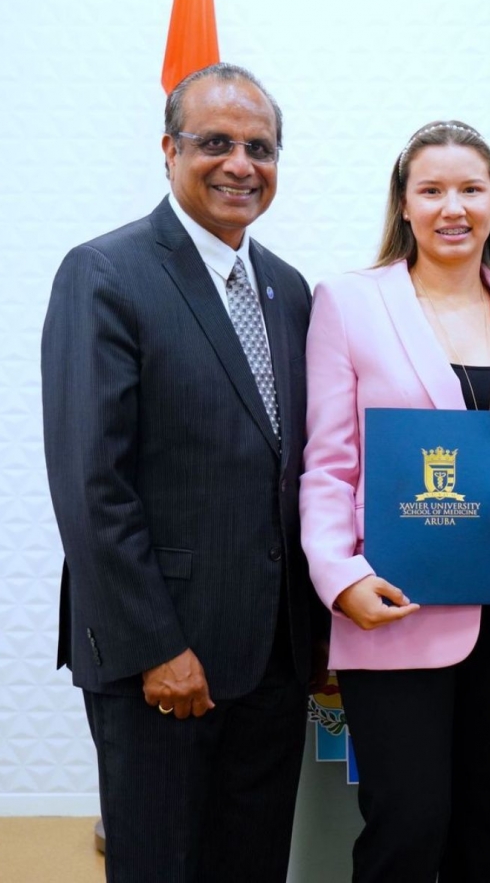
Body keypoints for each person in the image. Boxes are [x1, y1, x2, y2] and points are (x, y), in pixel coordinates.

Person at [41, 63, 325, 882]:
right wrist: (155, 647)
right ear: (169, 150)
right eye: (216, 143)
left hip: (272, 655)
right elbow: (92, 483)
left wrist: (317, 631)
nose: (241, 163)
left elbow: (296, 468)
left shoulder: (290, 290)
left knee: (253, 865)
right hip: (162, 658)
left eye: (260, 148)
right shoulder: (105, 273)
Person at [299, 120, 490, 882]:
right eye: (433, 189)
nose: (454, 206)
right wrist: (338, 575)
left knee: (483, 835)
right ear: (405, 204)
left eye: (471, 189)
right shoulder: (348, 302)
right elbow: (328, 463)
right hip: (395, 602)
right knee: (406, 827)